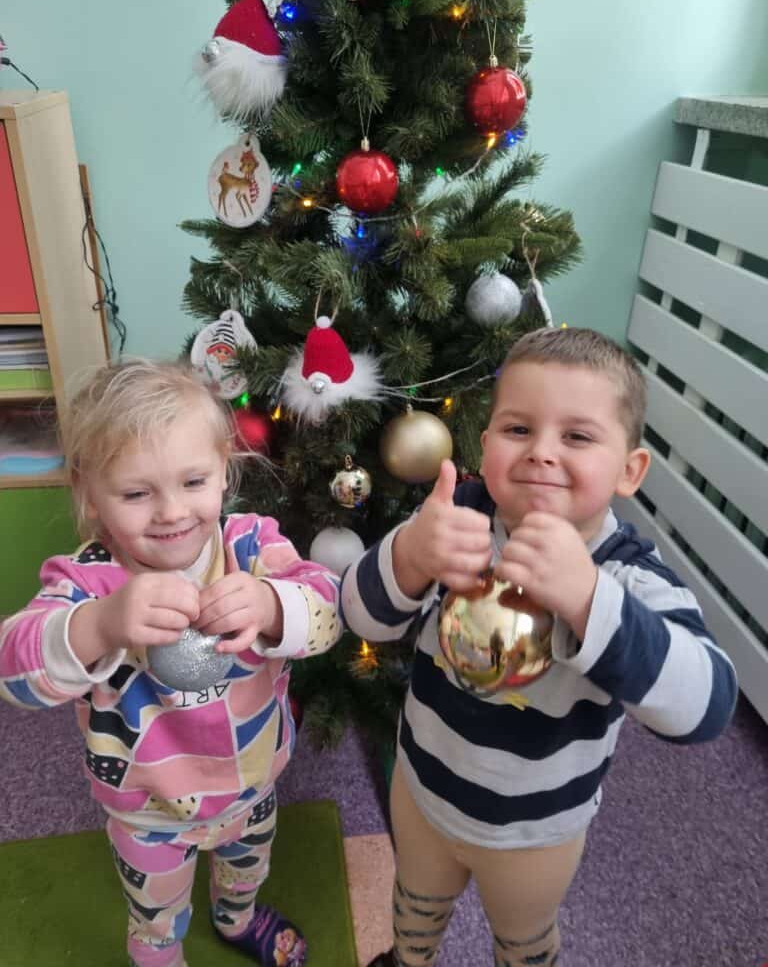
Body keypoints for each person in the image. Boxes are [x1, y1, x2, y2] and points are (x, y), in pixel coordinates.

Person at [340, 327, 738, 967]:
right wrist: (412, 554)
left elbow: (708, 708)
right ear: (486, 442)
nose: (541, 453)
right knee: (413, 905)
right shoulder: (455, 520)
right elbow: (360, 616)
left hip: (535, 832)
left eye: (577, 437)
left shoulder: (628, 576)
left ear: (629, 471)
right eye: (518, 429)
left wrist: (588, 599)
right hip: (422, 790)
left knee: (523, 940)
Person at [0, 359, 342, 967]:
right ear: (89, 493)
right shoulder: (88, 581)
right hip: (147, 812)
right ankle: (160, 954)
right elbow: (13, 672)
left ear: (224, 470)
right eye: (136, 493)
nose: (171, 512)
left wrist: (271, 604)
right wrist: (101, 624)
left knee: (247, 872)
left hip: (252, 786)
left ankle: (237, 918)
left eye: (193, 481)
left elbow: (329, 610)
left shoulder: (250, 545)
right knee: (155, 916)